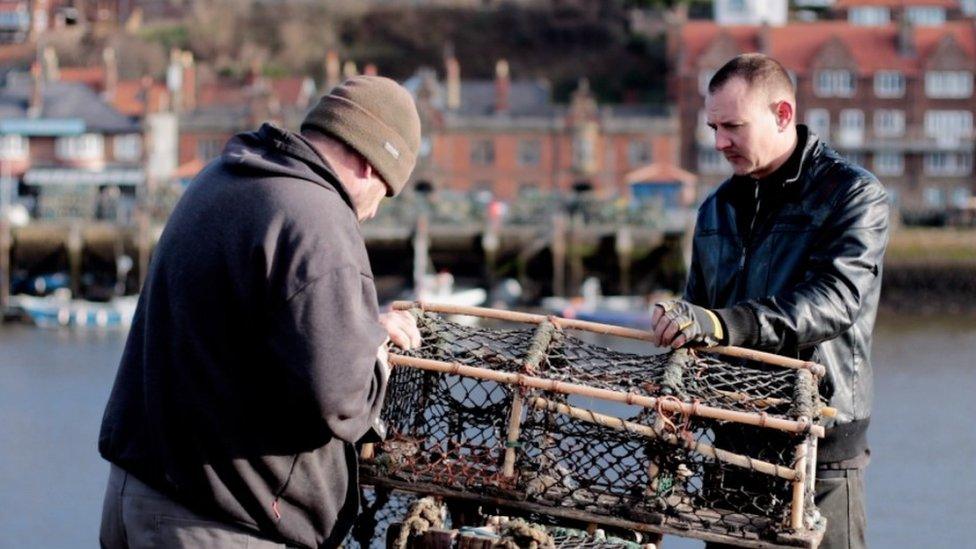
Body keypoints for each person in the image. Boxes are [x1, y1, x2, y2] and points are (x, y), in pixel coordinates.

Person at [98, 76, 424, 548]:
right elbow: (343, 399)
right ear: (373, 165)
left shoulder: (226, 177)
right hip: (217, 524)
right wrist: (376, 353)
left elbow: (259, 328)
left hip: (137, 497)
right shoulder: (316, 218)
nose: (372, 213)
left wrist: (356, 328)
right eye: (386, 194)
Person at [650, 54, 889, 548]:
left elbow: (834, 301)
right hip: (732, 446)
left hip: (820, 449)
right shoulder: (717, 206)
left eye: (733, 126)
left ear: (782, 114)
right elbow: (700, 305)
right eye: (713, 127)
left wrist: (721, 324)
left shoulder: (852, 195)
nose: (719, 142)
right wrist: (681, 319)